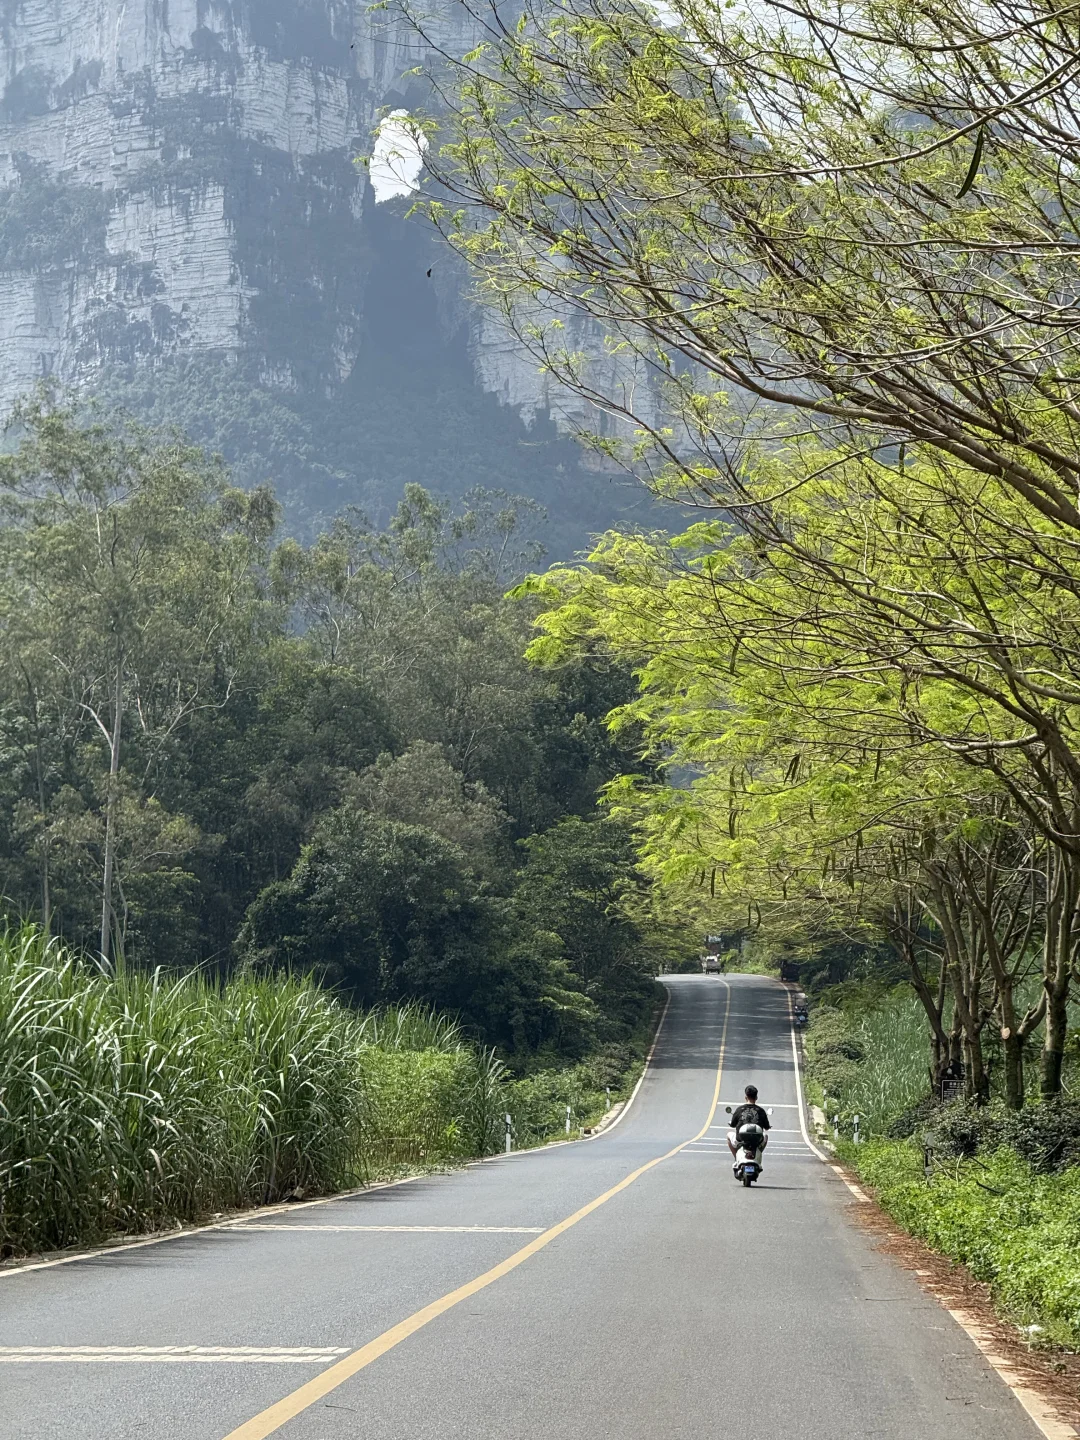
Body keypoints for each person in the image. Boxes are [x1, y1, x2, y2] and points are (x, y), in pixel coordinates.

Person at [727, 1084, 771, 1169]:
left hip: (740, 1140)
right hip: (757, 1142)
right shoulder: (761, 1111)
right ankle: (757, 1155)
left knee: (728, 1135)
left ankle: (736, 1159)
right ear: (756, 1097)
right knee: (765, 1136)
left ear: (745, 1097)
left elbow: (733, 1124)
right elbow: (766, 1127)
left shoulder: (739, 1110)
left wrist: (732, 1123)